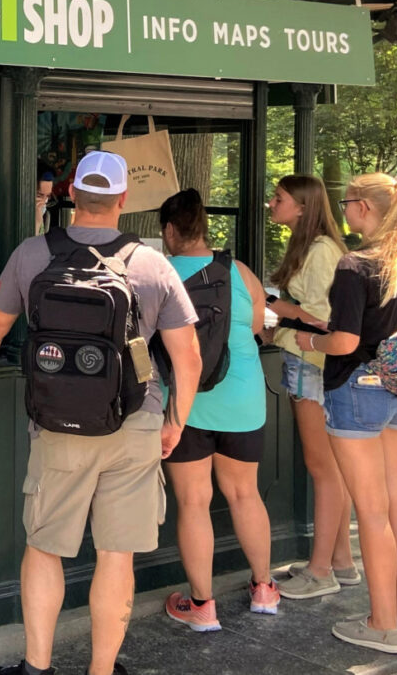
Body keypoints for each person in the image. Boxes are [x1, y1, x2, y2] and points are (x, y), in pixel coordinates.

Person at [0, 151, 201, 675]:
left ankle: (37, 667)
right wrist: (175, 422)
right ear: (122, 200)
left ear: (71, 195)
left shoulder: (32, 254)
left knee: (46, 547)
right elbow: (188, 358)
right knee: (117, 555)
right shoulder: (151, 263)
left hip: (57, 424)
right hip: (135, 419)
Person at [295, 173, 397, 654]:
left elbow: (345, 341)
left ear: (365, 208)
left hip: (354, 390)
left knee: (370, 513)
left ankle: (381, 624)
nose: (343, 209)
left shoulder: (354, 266)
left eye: (347, 202)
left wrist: (309, 340)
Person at [153, 189, 279, 633]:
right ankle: (264, 588)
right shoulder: (239, 272)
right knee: (246, 494)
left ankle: (202, 605)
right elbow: (259, 325)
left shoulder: (159, 272)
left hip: (185, 404)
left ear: (170, 230)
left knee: (193, 502)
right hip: (243, 398)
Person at [265, 175, 360, 601]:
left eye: (279, 198)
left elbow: (323, 318)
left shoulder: (321, 250)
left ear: (302, 207)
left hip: (311, 362)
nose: (271, 203)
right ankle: (340, 559)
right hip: (308, 359)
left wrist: (280, 310)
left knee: (322, 468)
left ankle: (321, 571)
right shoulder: (316, 246)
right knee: (331, 468)